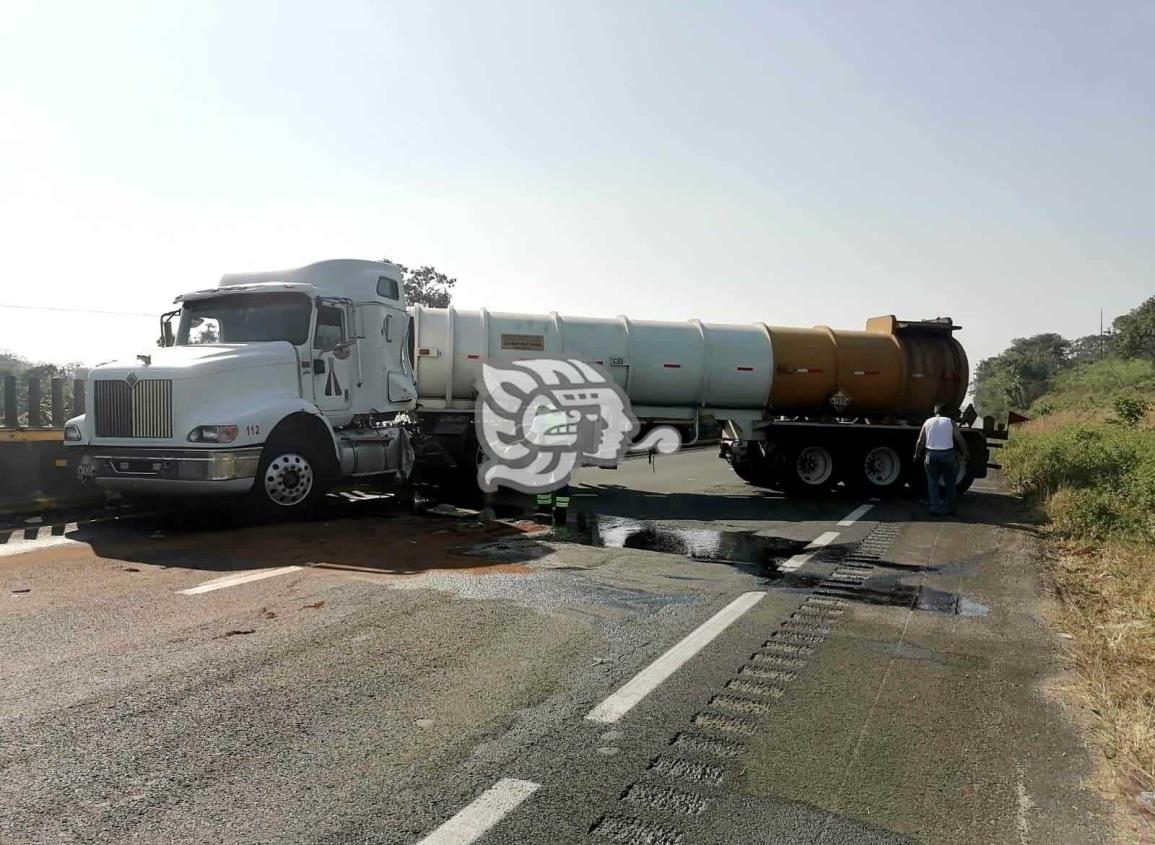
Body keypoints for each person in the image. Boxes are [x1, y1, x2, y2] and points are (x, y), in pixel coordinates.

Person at [914, 403, 970, 516]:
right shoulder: (950, 422)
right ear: (946, 412)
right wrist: (966, 452)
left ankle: (935, 508)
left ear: (935, 412)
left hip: (931, 454)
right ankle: (952, 509)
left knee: (933, 482)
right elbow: (959, 439)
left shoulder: (928, 422)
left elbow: (920, 441)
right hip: (948, 455)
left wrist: (917, 454)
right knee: (950, 483)